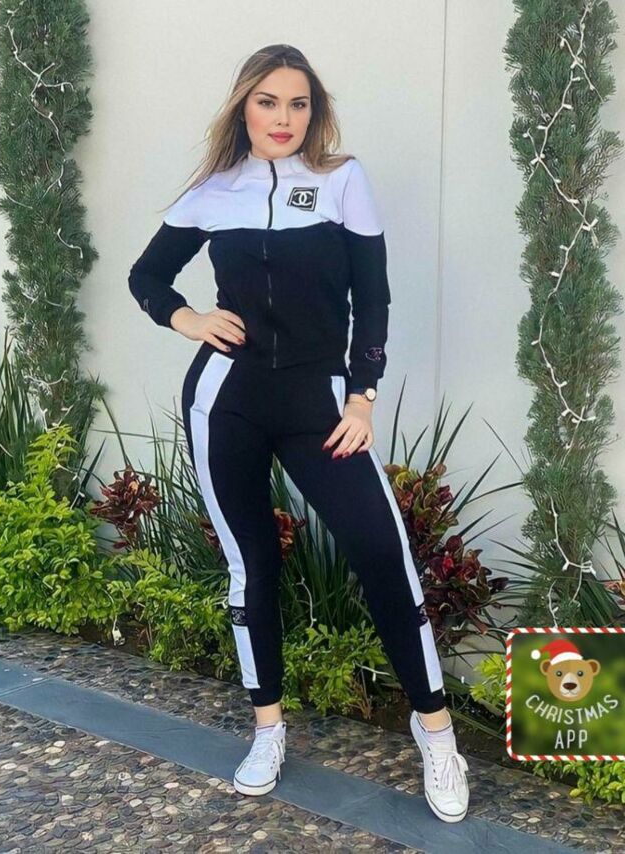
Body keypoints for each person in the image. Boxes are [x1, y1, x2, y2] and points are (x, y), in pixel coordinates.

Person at [128, 43, 469, 823]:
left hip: (321, 403)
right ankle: (268, 729)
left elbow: (372, 299)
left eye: (298, 103)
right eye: (268, 101)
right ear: (243, 107)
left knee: (382, 553)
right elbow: (147, 276)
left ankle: (436, 734)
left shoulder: (342, 180)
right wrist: (187, 318)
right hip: (227, 401)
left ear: (314, 112)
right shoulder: (215, 190)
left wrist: (363, 399)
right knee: (250, 565)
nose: (283, 118)